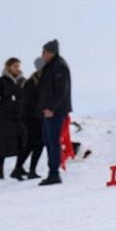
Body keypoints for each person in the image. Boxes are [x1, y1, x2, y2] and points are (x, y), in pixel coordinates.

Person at [37, 39, 72, 186]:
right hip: (49, 111)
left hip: (55, 112)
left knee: (53, 142)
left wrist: (51, 108)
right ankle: (52, 172)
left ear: (50, 52)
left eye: (44, 52)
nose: (42, 55)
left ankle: (54, 173)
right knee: (48, 141)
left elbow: (60, 91)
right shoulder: (52, 65)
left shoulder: (58, 66)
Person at [0, 57, 25, 180]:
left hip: (19, 115)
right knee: (2, 143)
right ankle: (0, 168)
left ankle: (18, 168)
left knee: (22, 140)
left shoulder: (23, 81)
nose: (17, 68)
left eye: (18, 66)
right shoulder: (1, 81)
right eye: (15, 66)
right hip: (4, 115)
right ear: (8, 67)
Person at [14, 57, 45, 179]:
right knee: (37, 143)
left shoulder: (34, 79)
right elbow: (34, 100)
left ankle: (18, 169)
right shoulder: (36, 81)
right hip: (32, 116)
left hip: (29, 116)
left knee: (32, 143)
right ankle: (30, 171)